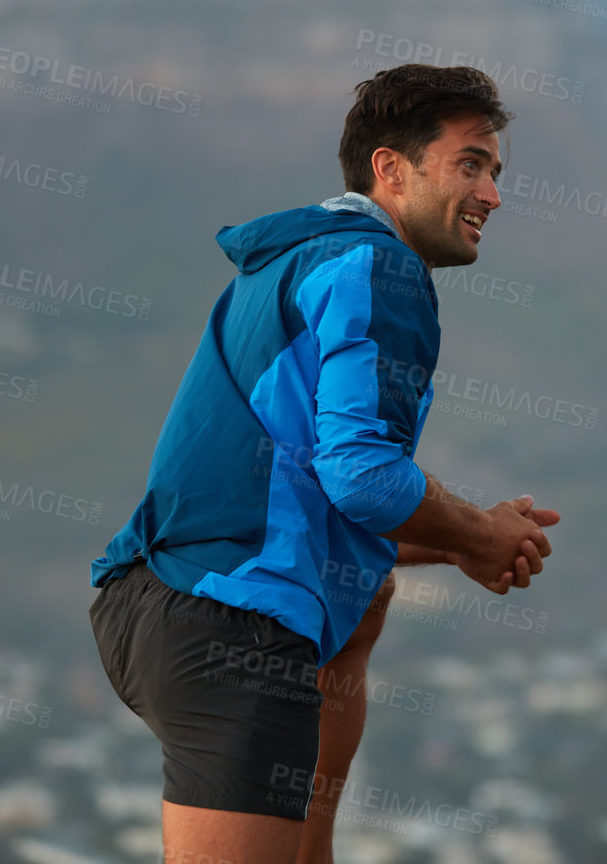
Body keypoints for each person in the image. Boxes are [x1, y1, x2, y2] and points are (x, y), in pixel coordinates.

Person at [88, 63, 560, 864]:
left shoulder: (296, 259)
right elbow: (364, 478)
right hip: (231, 622)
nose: (493, 195)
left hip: (158, 603)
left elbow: (308, 498)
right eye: (470, 165)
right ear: (390, 167)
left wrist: (458, 539)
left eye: (496, 172)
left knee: (367, 586)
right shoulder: (380, 265)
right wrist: (481, 535)